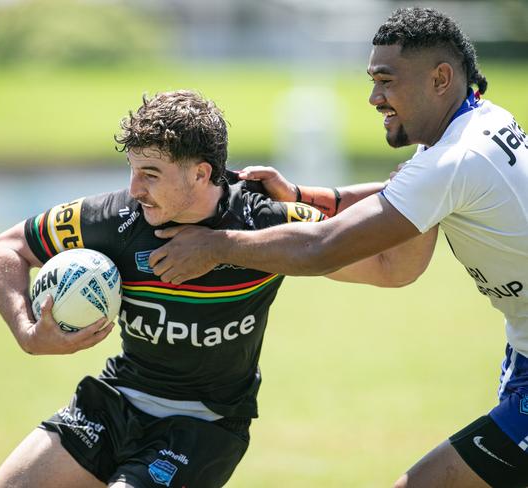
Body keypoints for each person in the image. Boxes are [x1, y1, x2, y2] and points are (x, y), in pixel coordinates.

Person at [147, 8, 528, 488]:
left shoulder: (456, 158)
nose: (374, 97)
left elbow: (321, 249)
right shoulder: (469, 126)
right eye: (372, 80)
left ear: (440, 78)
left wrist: (214, 245)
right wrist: (304, 196)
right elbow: (402, 192)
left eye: (386, 81)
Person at [0, 89, 391, 488]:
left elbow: (386, 267)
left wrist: (421, 189)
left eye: (151, 174)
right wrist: (26, 331)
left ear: (200, 172)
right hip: (115, 401)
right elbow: (6, 248)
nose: (135, 189)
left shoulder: (266, 220)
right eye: (133, 170)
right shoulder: (114, 218)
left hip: (203, 426)